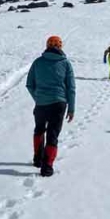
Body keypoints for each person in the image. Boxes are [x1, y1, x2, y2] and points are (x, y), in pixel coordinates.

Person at [26, 35, 76, 177]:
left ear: (47, 46)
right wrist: (71, 107)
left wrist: (38, 98)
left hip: (41, 103)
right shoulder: (66, 63)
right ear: (60, 47)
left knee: (39, 130)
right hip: (59, 104)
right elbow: (71, 88)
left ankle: (37, 159)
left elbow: (30, 84)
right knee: (52, 134)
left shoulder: (37, 62)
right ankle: (47, 167)